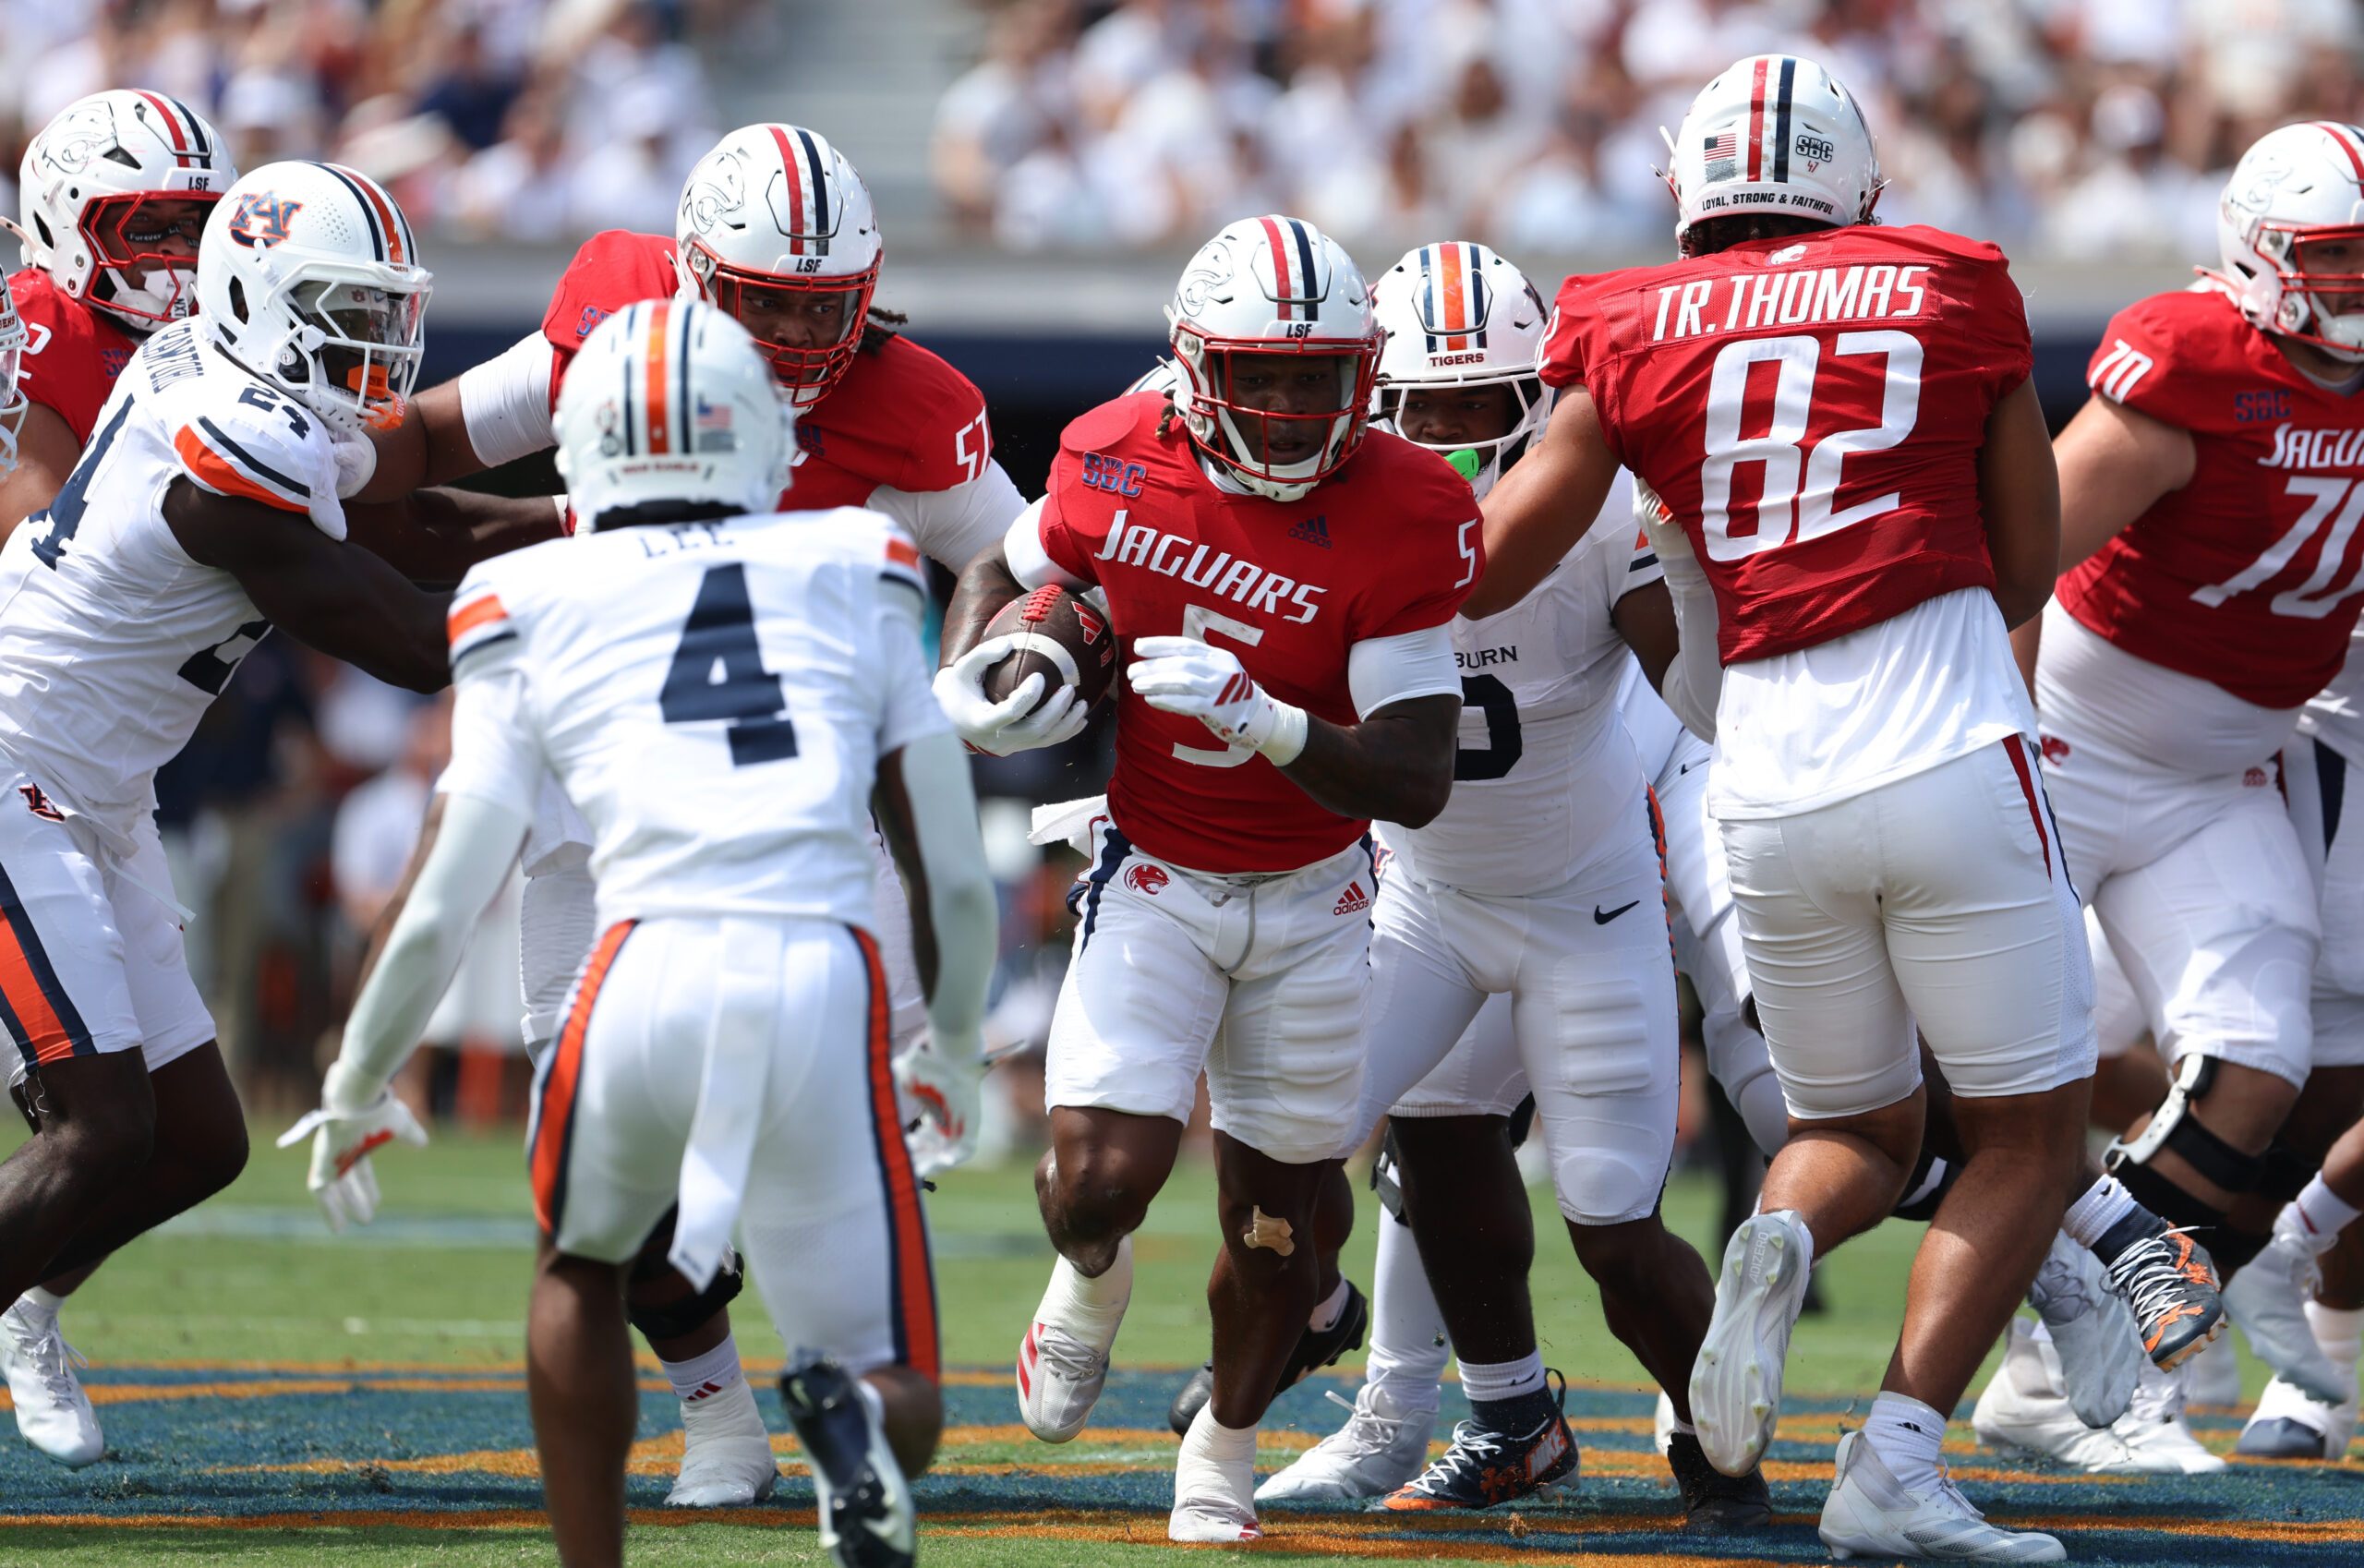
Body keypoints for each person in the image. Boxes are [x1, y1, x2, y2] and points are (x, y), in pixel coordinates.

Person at [1468, 54, 2131, 1561]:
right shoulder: (1950, 281)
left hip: (1758, 783)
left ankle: (1777, 1233)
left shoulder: (1624, 318)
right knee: (2029, 1135)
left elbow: (1496, 554)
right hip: (1950, 740)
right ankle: (1895, 1454)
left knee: (1855, 1122)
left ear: (1689, 193)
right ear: (1859, 190)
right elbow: (2028, 562)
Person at [347, 121, 1031, 1507]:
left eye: (814, 305)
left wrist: (358, 1058)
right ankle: (735, 1407)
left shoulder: (548, 588)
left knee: (622, 1208)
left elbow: (1015, 560)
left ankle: (763, 1400)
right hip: (677, 844)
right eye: (760, 301)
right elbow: (423, 452)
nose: (787, 335)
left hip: (752, 839)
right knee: (739, 1164)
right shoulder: (840, 551)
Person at [934, 213, 1476, 1543]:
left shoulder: (1411, 505)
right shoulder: (1114, 455)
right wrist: (980, 685)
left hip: (1317, 892)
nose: (1293, 411)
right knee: (1094, 1186)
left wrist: (1274, 723)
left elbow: (1415, 773)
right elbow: (1005, 573)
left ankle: (1221, 1450)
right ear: (1191, 368)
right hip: (1158, 864)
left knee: (1281, 1226)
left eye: (1319, 378)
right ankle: (1093, 1282)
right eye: (1262, 378)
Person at [0, 161, 539, 1461]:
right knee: (99, 1125)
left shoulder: (232, 383)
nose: (376, 336)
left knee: (192, 1139)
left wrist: (598, 520)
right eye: (345, 305)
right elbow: (409, 636)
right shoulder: (229, 454)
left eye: (382, 304)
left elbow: (411, 530)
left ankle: (25, 1299)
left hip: (95, 791)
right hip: (14, 765)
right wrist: (615, 587)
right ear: (260, 295)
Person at [1999, 121, 2364, 1465]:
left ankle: (2066, 1366)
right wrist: (2007, 742)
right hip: (2080, 744)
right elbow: (2023, 549)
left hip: (2228, 774)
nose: (2359, 286)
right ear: (2263, 259)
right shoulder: (2201, 362)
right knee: (1996, 1070)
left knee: (2256, 1062)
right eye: (2336, 259)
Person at [0, 91, 236, 540]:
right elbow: (38, 558)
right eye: (141, 222)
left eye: (192, 223)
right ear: (62, 224)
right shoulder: (31, 332)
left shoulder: (225, 323)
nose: (176, 248)